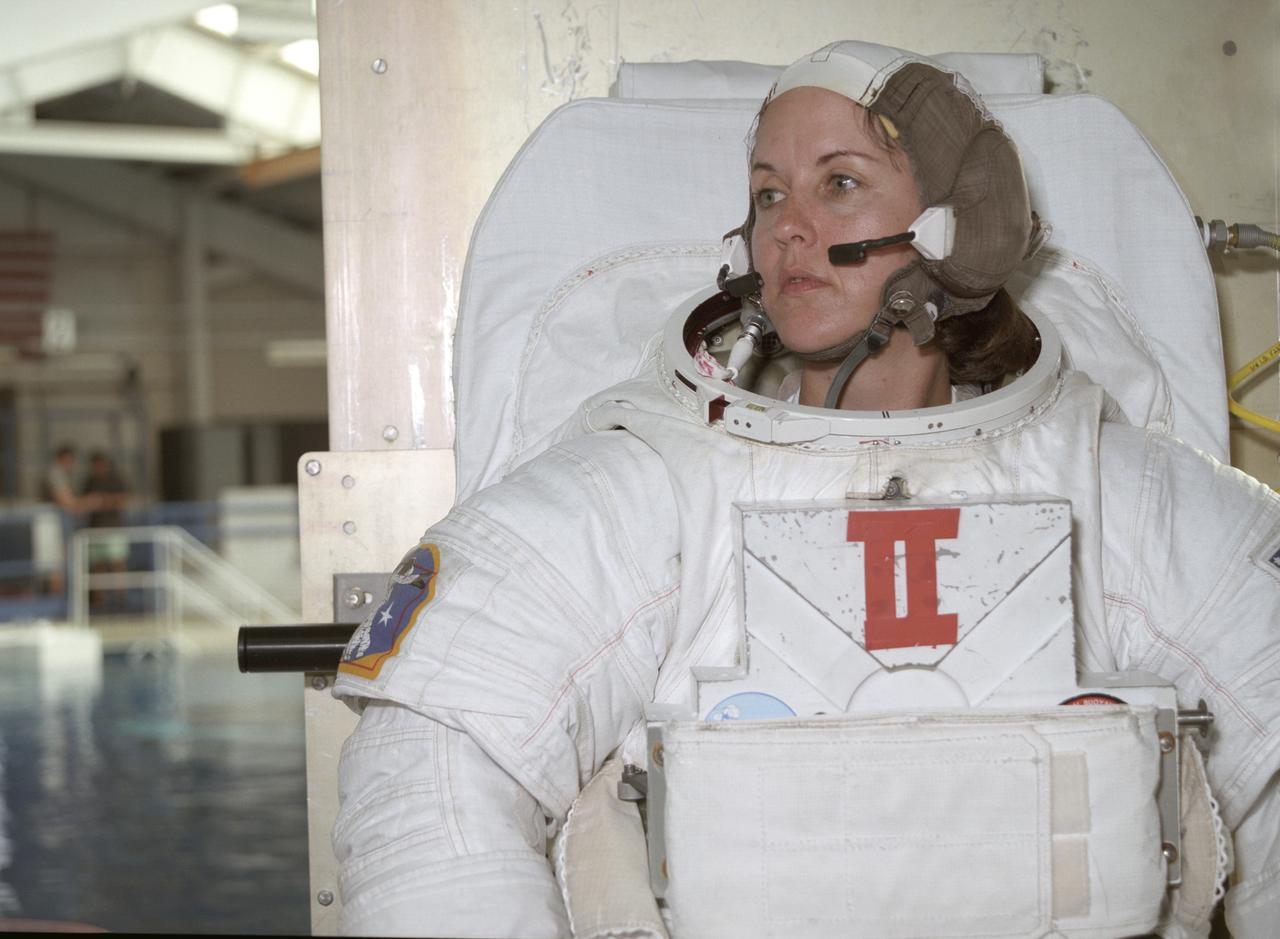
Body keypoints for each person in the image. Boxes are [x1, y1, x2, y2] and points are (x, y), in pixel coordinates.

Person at [330, 42, 1280, 938]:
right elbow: (429, 781)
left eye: (840, 184)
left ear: (964, 227)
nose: (789, 224)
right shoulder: (645, 490)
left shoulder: (1118, 496)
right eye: (768, 193)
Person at [82, 451, 130, 611]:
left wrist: (102, 501)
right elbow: (83, 502)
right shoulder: (90, 481)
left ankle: (121, 602)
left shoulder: (115, 480)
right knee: (98, 566)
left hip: (113, 528)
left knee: (118, 564)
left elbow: (122, 500)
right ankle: (98, 603)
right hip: (96, 529)